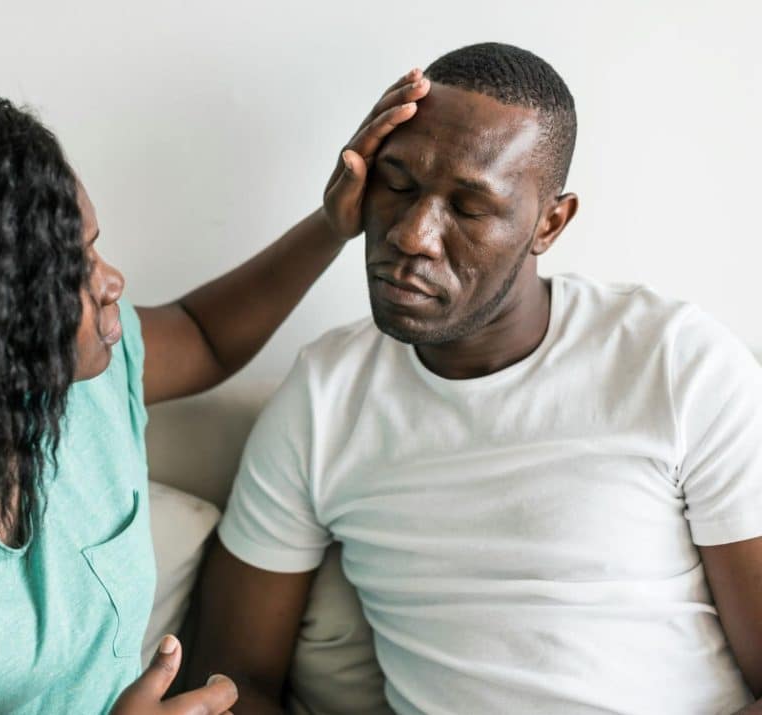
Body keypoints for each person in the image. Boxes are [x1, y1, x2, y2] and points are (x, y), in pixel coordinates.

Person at [0, 71, 430, 714]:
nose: (112, 281)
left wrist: (331, 225)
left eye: (95, 248)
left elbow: (204, 334)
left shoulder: (59, 382)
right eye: (72, 266)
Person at [191, 42, 762, 715]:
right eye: (397, 183)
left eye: (468, 207)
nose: (412, 235)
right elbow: (230, 682)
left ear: (550, 221)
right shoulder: (325, 396)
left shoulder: (674, 361)